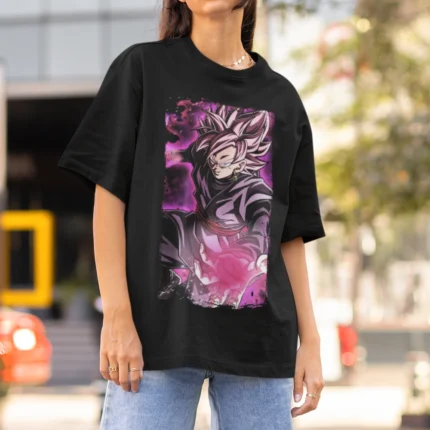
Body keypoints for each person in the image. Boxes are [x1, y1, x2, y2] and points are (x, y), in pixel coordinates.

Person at [58, 0, 326, 428]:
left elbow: (290, 234)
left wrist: (310, 340)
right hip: (153, 341)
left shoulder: (283, 100)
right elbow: (108, 200)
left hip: (260, 346)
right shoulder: (141, 69)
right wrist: (118, 316)